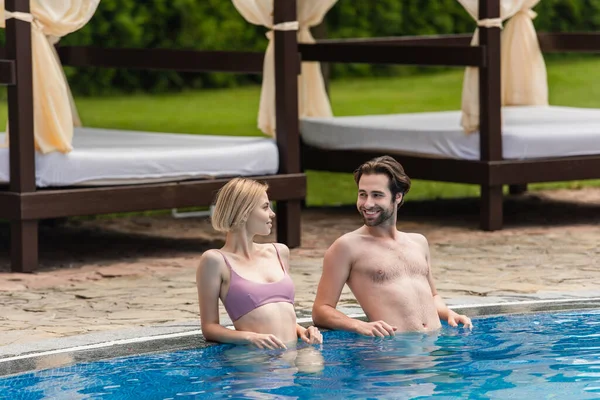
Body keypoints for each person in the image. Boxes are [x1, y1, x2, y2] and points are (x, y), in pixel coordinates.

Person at [312, 156, 472, 337]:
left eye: (377, 195)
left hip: (432, 351)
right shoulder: (346, 247)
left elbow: (432, 296)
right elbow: (321, 310)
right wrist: (358, 325)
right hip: (392, 355)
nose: (367, 204)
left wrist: (448, 313)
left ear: (398, 196)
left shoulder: (418, 242)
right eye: (362, 194)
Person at [196, 177, 322, 349]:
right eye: (265, 207)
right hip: (256, 358)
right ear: (243, 211)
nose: (272, 213)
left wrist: (302, 330)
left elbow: (281, 315)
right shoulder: (215, 261)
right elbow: (209, 327)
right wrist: (248, 337)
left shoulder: (279, 252)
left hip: (294, 352)